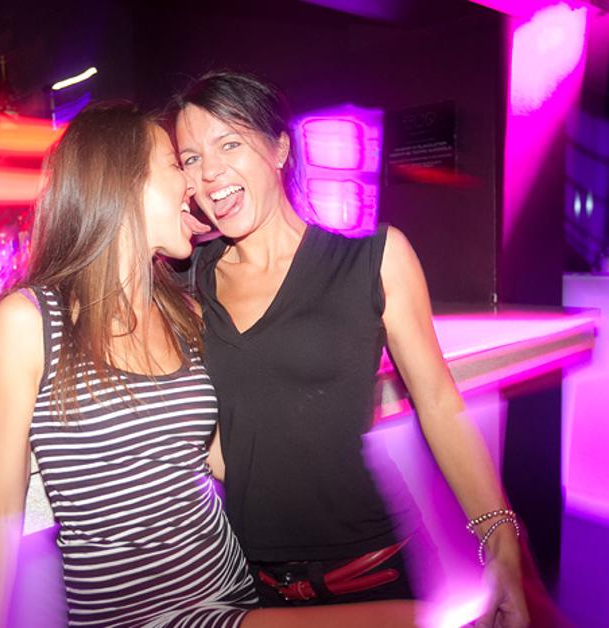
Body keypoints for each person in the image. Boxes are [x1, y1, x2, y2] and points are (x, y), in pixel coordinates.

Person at [0, 102, 419, 627]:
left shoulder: (184, 312)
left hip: (237, 587)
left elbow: (224, 460)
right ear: (124, 182)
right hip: (138, 614)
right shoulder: (30, 321)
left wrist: (334, 464)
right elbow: (0, 503)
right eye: (175, 164)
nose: (193, 182)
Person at [170, 72, 529, 628]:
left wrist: (499, 534)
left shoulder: (373, 259)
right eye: (191, 158)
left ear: (280, 149)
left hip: (376, 574)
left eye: (230, 143)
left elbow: (439, 403)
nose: (209, 171)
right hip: (253, 591)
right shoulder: (190, 280)